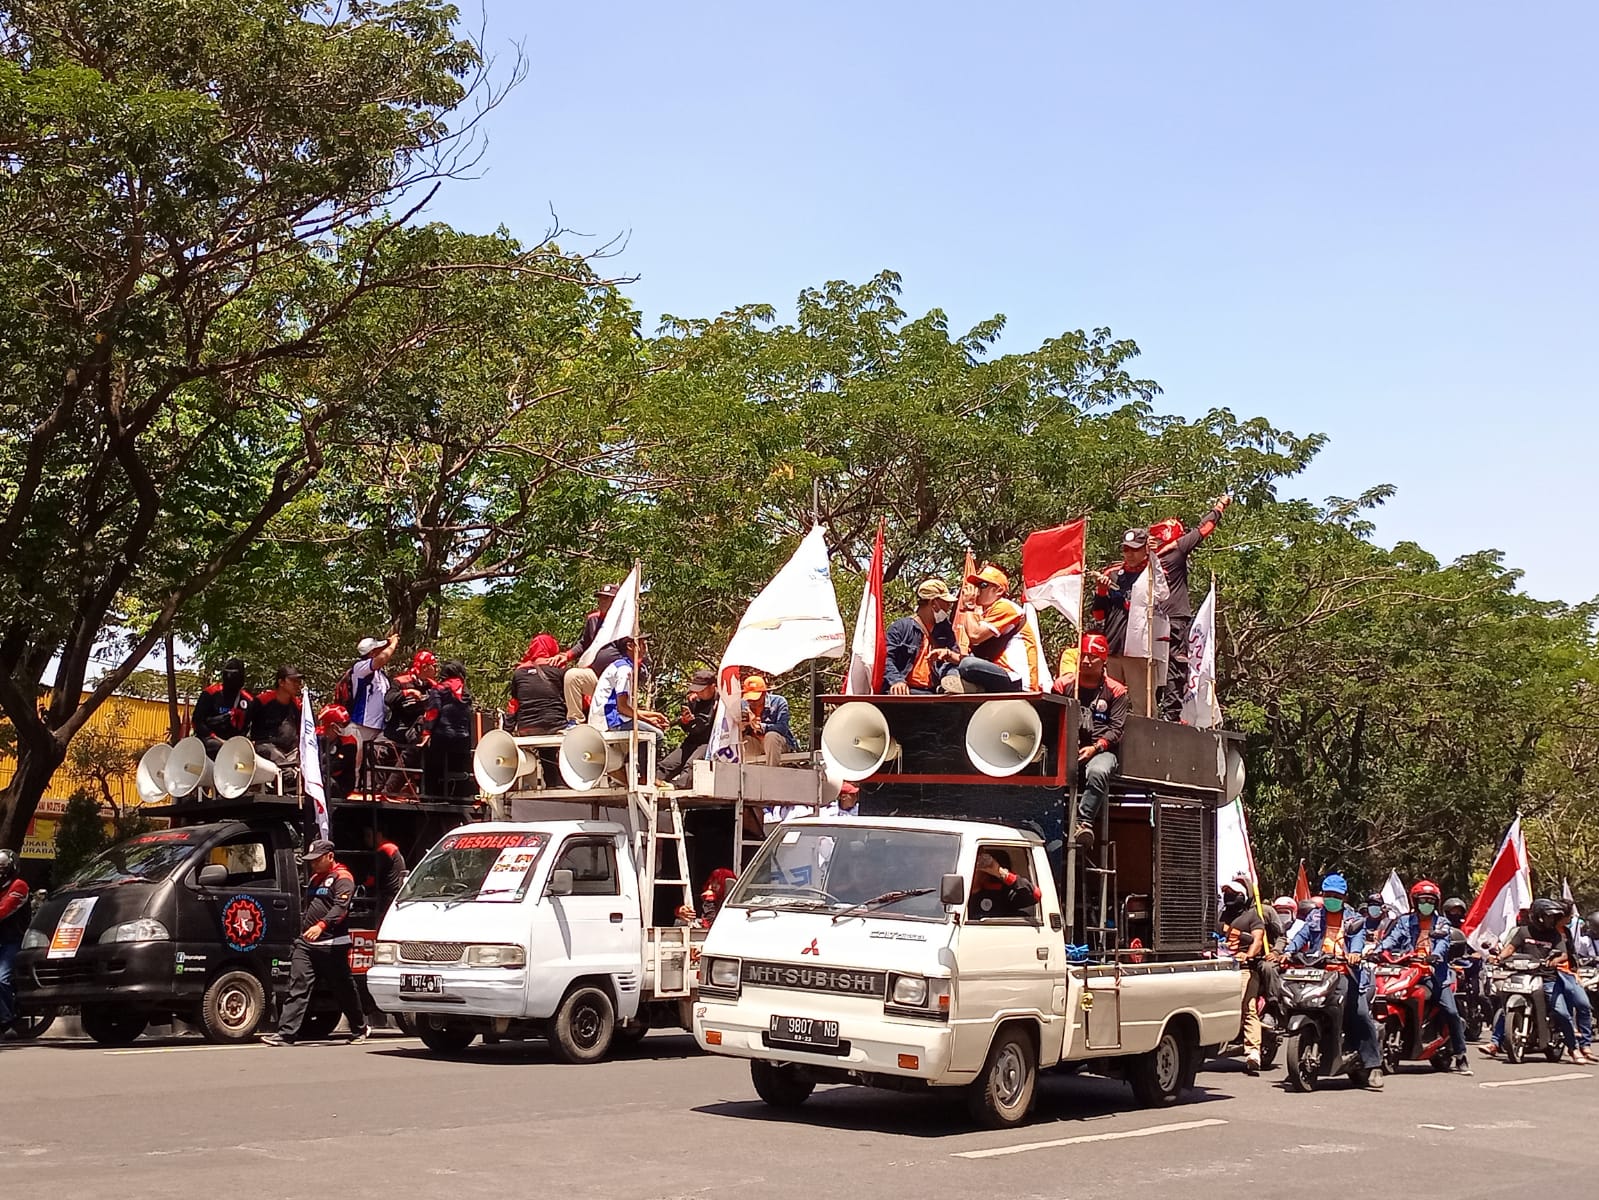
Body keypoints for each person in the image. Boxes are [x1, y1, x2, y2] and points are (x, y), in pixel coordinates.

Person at [263, 839, 369, 1046]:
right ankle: (286, 1034)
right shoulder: (314, 879)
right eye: (311, 860)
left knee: (343, 989)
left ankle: (359, 1028)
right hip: (307, 944)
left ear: (330, 856)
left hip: (332, 944)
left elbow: (340, 908)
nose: (313, 864)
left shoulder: (343, 877)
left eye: (317, 860)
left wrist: (321, 926)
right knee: (298, 985)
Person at [1284, 872, 1385, 1088]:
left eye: (1336, 896)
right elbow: (1301, 936)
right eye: (1328, 894)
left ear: (1344, 898)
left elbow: (1357, 940)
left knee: (1359, 1013)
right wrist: (1287, 951)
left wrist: (1354, 954)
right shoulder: (1314, 916)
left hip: (1346, 973)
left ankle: (1373, 1064)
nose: (1332, 899)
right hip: (1318, 972)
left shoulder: (1354, 919)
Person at [1148, 495, 1232, 721]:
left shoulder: (1146, 558)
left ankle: (1152, 710)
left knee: (1153, 664)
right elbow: (1205, 528)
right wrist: (1220, 506)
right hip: (1175, 618)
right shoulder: (1176, 551)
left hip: (1151, 620)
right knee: (1176, 665)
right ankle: (1171, 714)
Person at [1375, 879, 1471, 1073]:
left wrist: (1435, 955)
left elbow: (1443, 943)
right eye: (1422, 900)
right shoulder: (1404, 921)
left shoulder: (1441, 923)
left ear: (1435, 903)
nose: (1425, 904)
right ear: (1415, 901)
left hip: (1436, 975)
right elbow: (1392, 939)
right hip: (1406, 970)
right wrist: (1378, 950)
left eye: (1429, 900)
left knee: (1451, 1012)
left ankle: (1460, 1054)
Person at [1483, 898, 1582, 1061]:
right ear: (1538, 916)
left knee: (1562, 1012)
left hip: (1547, 979)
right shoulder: (1523, 931)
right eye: (1548, 917)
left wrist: (1553, 961)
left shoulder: (1555, 935)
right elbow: (1510, 948)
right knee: (1505, 1007)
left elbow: (1563, 954)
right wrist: (1499, 958)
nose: (1551, 920)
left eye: (1553, 917)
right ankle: (1494, 1043)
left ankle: (1573, 1048)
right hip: (1522, 975)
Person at [1059, 634, 1126, 850]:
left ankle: (1083, 822)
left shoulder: (1116, 690)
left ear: (1103, 660)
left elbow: (1117, 729)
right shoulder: (1063, 685)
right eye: (1084, 656)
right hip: (1067, 747)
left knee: (1098, 771)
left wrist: (1095, 748)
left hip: (1101, 751)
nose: (1087, 661)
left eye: (1093, 657)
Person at [954, 565, 1041, 693]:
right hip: (996, 671)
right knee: (950, 665)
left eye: (982, 585)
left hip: (1016, 678)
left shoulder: (1005, 607)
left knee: (968, 665)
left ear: (999, 590)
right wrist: (949, 655)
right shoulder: (984, 615)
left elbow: (975, 636)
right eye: (976, 585)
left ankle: (971, 686)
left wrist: (969, 606)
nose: (977, 590)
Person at [590, 636, 668, 771]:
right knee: (657, 735)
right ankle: (644, 776)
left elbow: (626, 708)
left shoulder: (621, 665)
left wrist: (653, 715)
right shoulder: (624, 670)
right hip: (610, 720)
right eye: (641, 643)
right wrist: (649, 720)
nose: (645, 647)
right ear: (630, 646)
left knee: (650, 731)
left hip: (612, 717)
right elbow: (622, 708)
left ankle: (629, 770)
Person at [1218, 879, 1268, 1073]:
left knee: (1248, 1007)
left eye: (1232, 892)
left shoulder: (1252, 917)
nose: (1228, 895)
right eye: (1226, 892)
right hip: (1220, 968)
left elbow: (1257, 940)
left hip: (1245, 969)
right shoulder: (1220, 915)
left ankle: (1253, 1051)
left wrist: (1248, 954)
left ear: (1242, 896)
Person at [883, 579, 961, 695]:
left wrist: (948, 654)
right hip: (908, 692)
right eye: (946, 602)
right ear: (934, 603)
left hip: (936, 691)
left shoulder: (945, 630)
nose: (949, 606)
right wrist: (897, 681)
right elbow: (886, 659)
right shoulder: (901, 628)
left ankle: (949, 685)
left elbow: (958, 658)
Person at [559, 582, 620, 724]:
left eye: (607, 598)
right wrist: (567, 655)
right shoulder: (593, 620)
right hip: (596, 676)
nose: (602, 602)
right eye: (601, 598)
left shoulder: (624, 623)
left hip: (618, 680)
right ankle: (575, 720)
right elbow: (584, 643)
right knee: (572, 676)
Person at [345, 633, 399, 790]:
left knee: (374, 763)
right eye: (378, 649)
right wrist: (393, 644)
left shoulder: (381, 675)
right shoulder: (360, 667)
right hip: (361, 724)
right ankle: (350, 792)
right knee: (355, 763)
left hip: (379, 727)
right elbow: (381, 660)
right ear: (371, 652)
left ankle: (370, 790)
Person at [418, 661, 475, 802]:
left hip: (442, 736)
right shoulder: (465, 692)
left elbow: (433, 711)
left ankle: (431, 797)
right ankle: (458, 798)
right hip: (462, 738)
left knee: (432, 767)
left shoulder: (439, 689)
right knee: (458, 769)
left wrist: (426, 733)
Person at [660, 668, 719, 786]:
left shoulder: (722, 701)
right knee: (667, 765)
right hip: (692, 741)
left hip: (710, 742)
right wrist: (685, 722)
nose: (698, 693)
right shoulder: (693, 700)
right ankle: (653, 782)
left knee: (691, 765)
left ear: (713, 686)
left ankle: (678, 787)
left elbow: (705, 724)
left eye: (702, 690)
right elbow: (688, 727)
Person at [507, 634, 567, 735]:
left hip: (526, 728)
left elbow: (514, 704)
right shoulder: (559, 670)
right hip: (556, 726)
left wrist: (507, 730)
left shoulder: (519, 672)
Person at [192, 656, 252, 756]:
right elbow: (197, 722)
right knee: (215, 746)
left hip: (235, 745)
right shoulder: (211, 693)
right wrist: (217, 739)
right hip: (209, 740)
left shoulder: (247, 700)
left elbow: (247, 728)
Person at [0, 849, 30, 1037]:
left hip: (14, 941)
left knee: (0, 979)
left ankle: (7, 1022)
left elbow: (3, 910)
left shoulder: (19, 886)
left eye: (3, 867)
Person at [249, 665, 303, 768]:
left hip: (291, 751)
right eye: (293, 681)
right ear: (281, 682)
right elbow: (247, 723)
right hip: (266, 747)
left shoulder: (297, 705)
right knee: (281, 764)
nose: (297, 684)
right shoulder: (262, 701)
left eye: (298, 681)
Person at [968, 848, 1042, 920]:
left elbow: (1035, 895)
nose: (970, 871)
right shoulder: (957, 893)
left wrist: (1000, 872)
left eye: (978, 865)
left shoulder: (999, 893)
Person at [740, 674, 797, 767]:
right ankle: (747, 773)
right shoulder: (742, 704)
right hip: (755, 744)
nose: (752, 702)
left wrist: (761, 727)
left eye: (755, 699)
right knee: (742, 741)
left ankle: (771, 772)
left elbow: (783, 728)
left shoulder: (778, 702)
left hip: (777, 744)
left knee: (771, 737)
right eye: (749, 699)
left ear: (764, 693)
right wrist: (742, 727)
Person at [385, 650, 437, 747]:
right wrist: (408, 692)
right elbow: (388, 699)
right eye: (434, 666)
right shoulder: (401, 682)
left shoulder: (433, 686)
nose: (436, 669)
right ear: (424, 667)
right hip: (399, 730)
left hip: (420, 732)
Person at [368, 829, 407, 922]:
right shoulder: (392, 848)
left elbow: (374, 876)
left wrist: (367, 884)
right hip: (394, 893)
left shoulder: (385, 849)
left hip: (388, 895)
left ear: (379, 835)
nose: (366, 839)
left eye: (368, 835)